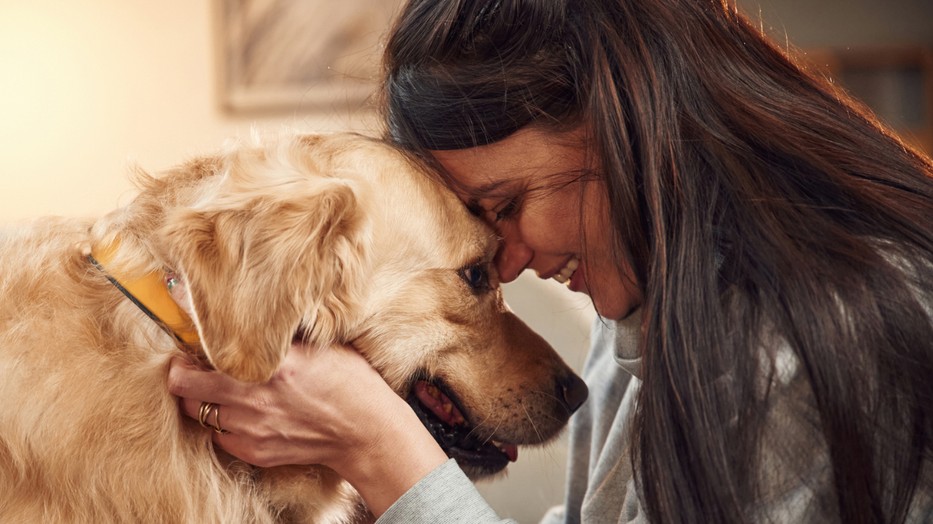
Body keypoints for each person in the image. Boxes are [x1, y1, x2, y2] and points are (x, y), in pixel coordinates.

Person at [168, 0, 933, 521]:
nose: (507, 265)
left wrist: (384, 454)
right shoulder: (640, 310)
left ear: (625, 117)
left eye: (505, 206)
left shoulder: (813, 333)